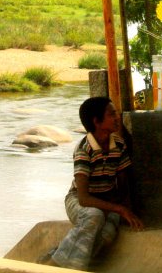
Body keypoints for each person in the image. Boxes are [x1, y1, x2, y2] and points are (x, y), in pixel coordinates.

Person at [44, 97, 143, 270]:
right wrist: (120, 209)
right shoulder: (84, 149)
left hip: (106, 202)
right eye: (111, 114)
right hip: (78, 201)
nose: (117, 117)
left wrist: (127, 210)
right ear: (97, 121)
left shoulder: (118, 145)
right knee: (93, 216)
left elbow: (123, 183)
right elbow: (83, 199)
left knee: (108, 233)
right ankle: (57, 267)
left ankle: (56, 256)